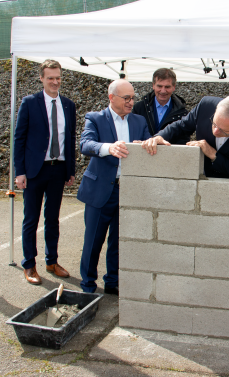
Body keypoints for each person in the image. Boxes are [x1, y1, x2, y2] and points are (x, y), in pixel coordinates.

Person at [76, 79, 151, 295]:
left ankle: (113, 281)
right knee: (93, 241)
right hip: (100, 191)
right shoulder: (95, 118)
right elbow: (86, 144)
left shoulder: (138, 121)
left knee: (118, 242)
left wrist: (153, 143)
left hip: (127, 191)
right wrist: (109, 148)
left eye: (132, 98)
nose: (130, 102)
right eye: (126, 98)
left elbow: (147, 145)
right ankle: (88, 284)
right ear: (111, 98)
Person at [13, 59, 76, 285]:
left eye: (58, 77)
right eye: (50, 78)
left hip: (58, 170)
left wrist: (70, 169)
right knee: (31, 219)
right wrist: (19, 172)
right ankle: (29, 265)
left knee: (53, 219)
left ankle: (51, 261)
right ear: (41, 78)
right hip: (34, 172)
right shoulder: (29, 103)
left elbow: (70, 139)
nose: (55, 82)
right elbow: (19, 139)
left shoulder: (68, 105)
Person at [140, 93, 229, 180]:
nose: (215, 131)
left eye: (223, 131)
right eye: (214, 123)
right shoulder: (206, 105)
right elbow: (181, 126)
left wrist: (213, 155)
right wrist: (158, 137)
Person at [132, 68, 189, 144]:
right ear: (153, 85)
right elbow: (134, 133)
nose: (163, 91)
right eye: (159, 86)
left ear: (173, 87)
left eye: (167, 87)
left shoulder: (182, 113)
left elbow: (183, 141)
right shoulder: (139, 108)